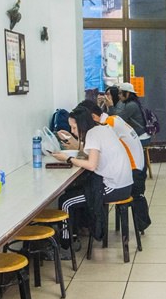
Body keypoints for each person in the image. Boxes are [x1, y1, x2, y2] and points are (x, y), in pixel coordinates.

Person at [64, 99, 151, 232]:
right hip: (135, 168)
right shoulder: (113, 119)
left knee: (88, 187)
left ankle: (87, 226)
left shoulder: (106, 125)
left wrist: (70, 154)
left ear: (92, 117)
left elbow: (93, 154)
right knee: (91, 184)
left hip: (132, 171)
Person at [52, 106, 133, 242]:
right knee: (75, 190)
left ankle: (66, 245)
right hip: (124, 184)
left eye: (74, 127)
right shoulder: (101, 129)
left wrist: (67, 158)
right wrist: (72, 141)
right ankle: (79, 230)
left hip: (115, 187)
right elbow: (90, 152)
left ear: (82, 125)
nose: (72, 131)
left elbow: (91, 165)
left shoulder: (93, 134)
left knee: (66, 201)